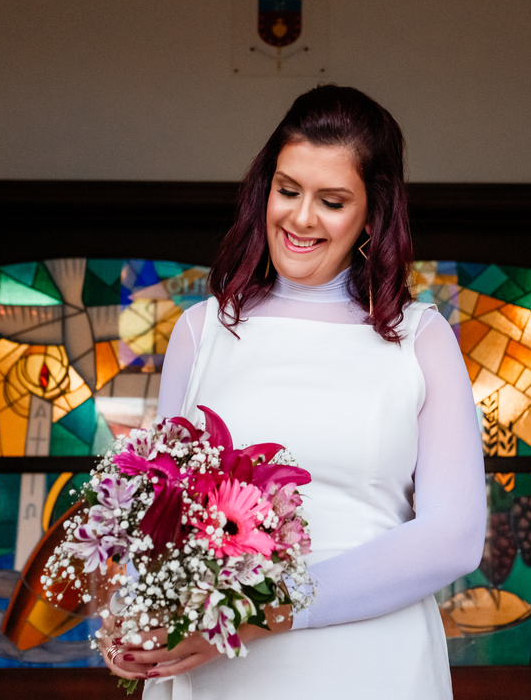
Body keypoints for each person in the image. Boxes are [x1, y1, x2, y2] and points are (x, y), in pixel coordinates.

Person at [103, 85, 486, 699]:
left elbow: (455, 537)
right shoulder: (203, 331)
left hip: (369, 663)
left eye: (332, 201)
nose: (301, 218)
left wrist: (260, 615)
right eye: (287, 190)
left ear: (372, 212)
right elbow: (162, 510)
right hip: (217, 669)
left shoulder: (422, 338)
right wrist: (140, 617)